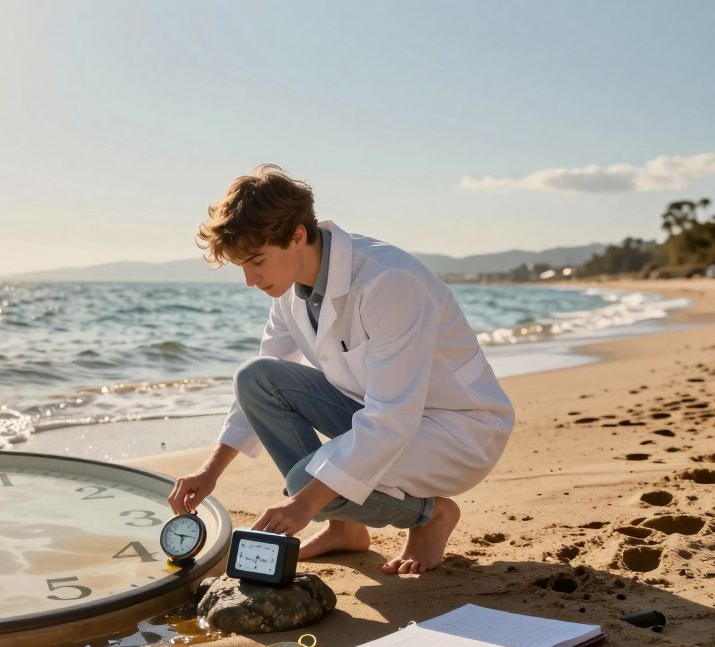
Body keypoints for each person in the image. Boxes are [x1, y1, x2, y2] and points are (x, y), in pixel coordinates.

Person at [167, 164, 514, 574]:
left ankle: (430, 514)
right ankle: (345, 527)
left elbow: (391, 418)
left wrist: (306, 503)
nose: (249, 280)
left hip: (456, 430)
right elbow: (265, 381)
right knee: (256, 378)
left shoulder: (389, 281)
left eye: (256, 261)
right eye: (242, 265)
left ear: (297, 235)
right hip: (379, 413)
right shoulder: (289, 289)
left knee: (305, 484)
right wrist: (210, 472)